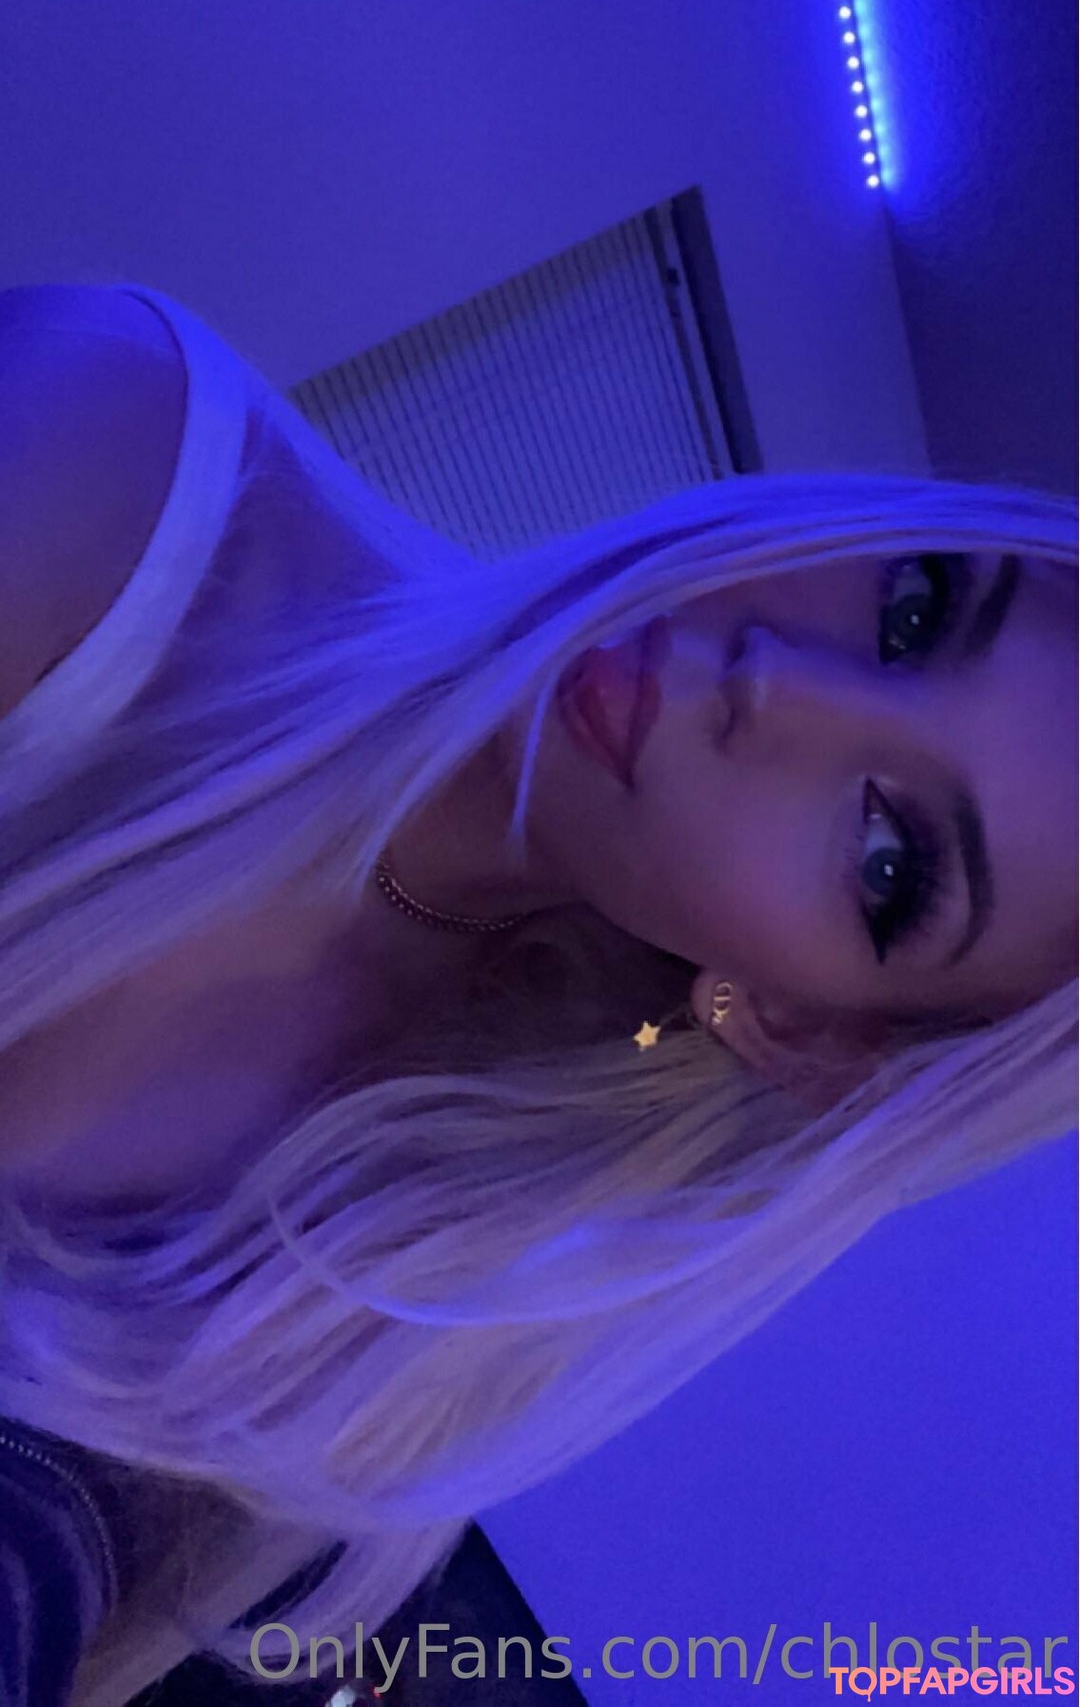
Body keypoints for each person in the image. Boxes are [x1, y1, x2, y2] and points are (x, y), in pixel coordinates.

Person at [0, 282, 1075, 1707]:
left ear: (805, 1022)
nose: (776, 686)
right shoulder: (113, 461)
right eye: (916, 606)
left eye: (890, 860)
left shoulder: (425, 1269)